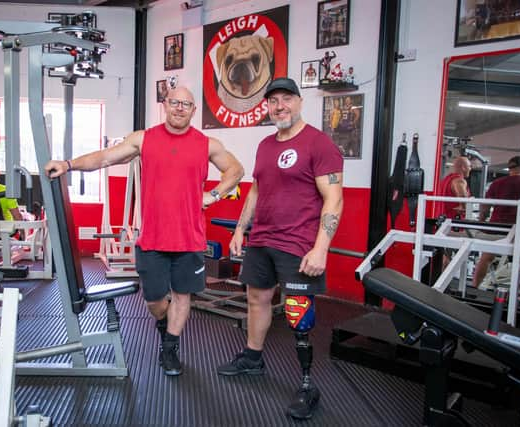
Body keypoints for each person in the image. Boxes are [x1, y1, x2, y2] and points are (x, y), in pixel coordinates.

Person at [44, 86, 244, 376]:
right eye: (174, 102)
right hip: (152, 238)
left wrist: (212, 196)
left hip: (189, 239)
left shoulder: (207, 144)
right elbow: (104, 158)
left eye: (186, 104)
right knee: (154, 302)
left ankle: (171, 347)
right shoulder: (144, 139)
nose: (179, 108)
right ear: (165, 105)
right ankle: (163, 324)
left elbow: (236, 170)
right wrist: (68, 164)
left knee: (183, 295)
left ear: (193, 110)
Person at [216, 77, 344, 420]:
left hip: (299, 243)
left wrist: (321, 249)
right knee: (256, 298)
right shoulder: (265, 145)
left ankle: (306, 385)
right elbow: (256, 190)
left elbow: (334, 198)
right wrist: (241, 229)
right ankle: (253, 357)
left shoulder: (319, 143)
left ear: (299, 102)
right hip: (263, 240)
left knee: (297, 313)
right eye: (273, 101)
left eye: (286, 99)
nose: (279, 106)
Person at [472, 156, 520, 288]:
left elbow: (485, 208)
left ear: (510, 167)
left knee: (486, 258)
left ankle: (474, 286)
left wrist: (482, 223)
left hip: (496, 229)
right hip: (518, 232)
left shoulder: (497, 183)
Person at [438, 156, 472, 220]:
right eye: (469, 166)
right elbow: (462, 195)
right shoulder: (459, 180)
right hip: (454, 221)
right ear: (463, 167)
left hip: (443, 219)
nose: (470, 169)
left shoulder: (446, 180)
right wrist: (463, 207)